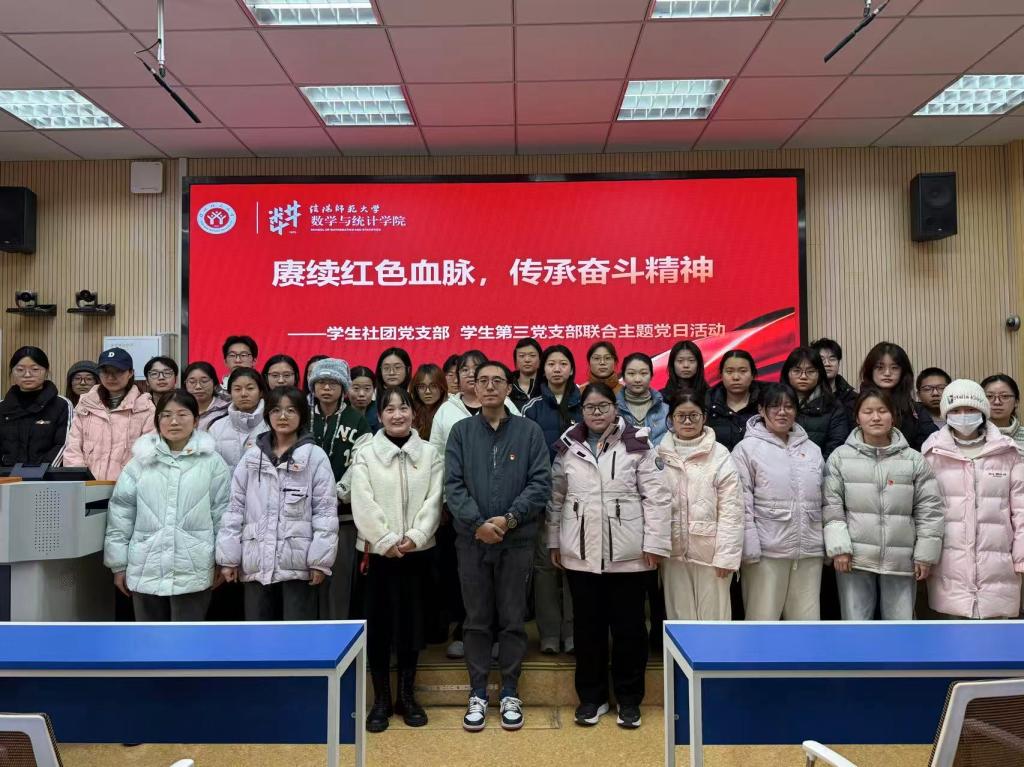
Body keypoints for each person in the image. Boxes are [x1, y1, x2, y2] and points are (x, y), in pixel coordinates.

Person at [548, 382, 671, 728]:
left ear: (615, 408)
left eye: (603, 406)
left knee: (630, 631)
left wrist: (655, 543)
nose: (597, 412)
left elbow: (658, 497)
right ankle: (592, 698)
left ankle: (629, 701)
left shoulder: (637, 442)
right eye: (590, 407)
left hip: (629, 557)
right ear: (581, 411)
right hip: (581, 555)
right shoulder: (568, 444)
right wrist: (554, 541)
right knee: (588, 630)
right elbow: (556, 498)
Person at [445, 360, 550, 733]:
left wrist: (509, 520)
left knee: (511, 620)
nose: (489, 387)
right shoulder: (460, 432)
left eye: (497, 381)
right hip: (471, 542)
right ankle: (477, 693)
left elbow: (540, 482)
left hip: (515, 541)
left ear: (508, 388)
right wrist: (478, 524)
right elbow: (453, 485)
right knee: (475, 620)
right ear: (473, 388)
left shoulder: (529, 431)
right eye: (482, 381)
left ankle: (509, 692)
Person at [350, 386, 443, 733]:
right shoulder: (366, 452)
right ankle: (381, 700)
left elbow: (435, 498)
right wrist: (385, 539)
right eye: (389, 410)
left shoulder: (430, 453)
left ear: (413, 413)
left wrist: (416, 535)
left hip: (417, 553)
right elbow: (362, 500)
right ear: (380, 416)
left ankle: (407, 696)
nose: (397, 415)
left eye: (403, 408)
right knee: (378, 628)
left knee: (411, 627)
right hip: (377, 555)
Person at [104, 390, 231, 621]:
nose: (174, 421)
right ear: (157, 421)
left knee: (188, 640)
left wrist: (223, 561)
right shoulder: (139, 462)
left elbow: (223, 514)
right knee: (149, 640)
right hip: (145, 567)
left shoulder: (212, 462)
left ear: (196, 420)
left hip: (194, 569)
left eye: (182, 414)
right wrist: (118, 564)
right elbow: (121, 514)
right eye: (166, 415)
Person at [217, 386, 338, 621]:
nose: (283, 416)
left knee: (295, 634)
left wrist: (319, 561)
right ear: (268, 415)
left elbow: (325, 512)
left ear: (302, 415)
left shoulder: (314, 457)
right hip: (256, 561)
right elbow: (234, 508)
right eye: (276, 410)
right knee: (258, 634)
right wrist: (229, 558)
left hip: (298, 564)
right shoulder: (252, 457)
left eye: (291, 410)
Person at [823, 388, 945, 620]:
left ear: (893, 416)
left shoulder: (913, 459)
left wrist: (925, 555)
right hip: (854, 558)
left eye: (882, 411)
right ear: (857, 417)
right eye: (868, 411)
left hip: (902, 558)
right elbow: (831, 508)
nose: (876, 417)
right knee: (855, 624)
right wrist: (839, 548)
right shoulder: (840, 457)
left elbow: (929, 510)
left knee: (901, 627)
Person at [922, 379, 1024, 619]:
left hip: (999, 565)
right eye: (956, 410)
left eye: (970, 409)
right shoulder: (931, 452)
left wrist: (1021, 557)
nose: (963, 415)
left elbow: (1021, 509)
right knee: (952, 634)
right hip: (949, 565)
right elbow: (924, 510)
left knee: (998, 637)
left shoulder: (1008, 451)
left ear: (982, 411)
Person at [733, 383, 825, 621]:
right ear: (761, 410)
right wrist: (749, 547)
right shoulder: (746, 449)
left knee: (806, 626)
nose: (782, 412)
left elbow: (826, 499)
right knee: (762, 621)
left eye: (789, 406)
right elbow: (741, 502)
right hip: (766, 552)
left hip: (809, 552)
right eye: (775, 406)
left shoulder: (812, 450)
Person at [656, 390, 743, 621]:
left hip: (711, 554)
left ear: (704, 417)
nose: (687, 422)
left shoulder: (720, 455)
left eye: (693, 416)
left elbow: (732, 510)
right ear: (671, 419)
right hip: (672, 554)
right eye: (681, 416)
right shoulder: (659, 454)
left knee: (714, 622)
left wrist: (726, 556)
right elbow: (652, 505)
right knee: (679, 621)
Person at [522, 345, 580, 655]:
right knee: (545, 567)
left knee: (575, 565)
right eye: (552, 364)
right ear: (543, 369)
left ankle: (572, 633)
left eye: (563, 364)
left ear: (571, 369)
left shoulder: (584, 402)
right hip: (544, 498)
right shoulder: (531, 408)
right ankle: (549, 634)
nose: (557, 369)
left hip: (581, 499)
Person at [309, 358, 371, 621]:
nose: (326, 388)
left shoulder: (357, 420)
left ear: (343, 387)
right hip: (302, 516)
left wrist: (336, 493)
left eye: (333, 383)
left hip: (343, 517)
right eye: (321, 382)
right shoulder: (301, 417)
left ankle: (337, 640)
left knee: (339, 585)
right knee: (306, 584)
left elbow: (361, 463)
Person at [63, 348, 156, 481]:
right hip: (88, 487)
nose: (111, 377)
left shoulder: (145, 407)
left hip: (128, 487)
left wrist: (128, 485)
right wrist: (81, 481)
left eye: (118, 371)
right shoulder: (86, 404)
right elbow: (73, 448)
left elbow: (149, 454)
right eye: (105, 372)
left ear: (131, 373)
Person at [0, 347, 72, 467]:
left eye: (35, 369)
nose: (27, 375)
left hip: (46, 475)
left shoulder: (62, 405)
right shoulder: (3, 407)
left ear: (46, 371)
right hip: (6, 475)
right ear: (12, 372)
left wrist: (43, 471)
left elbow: (64, 444)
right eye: (20, 370)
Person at [859, 342, 937, 451]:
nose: (887, 373)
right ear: (870, 371)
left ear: (903, 372)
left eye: (894, 368)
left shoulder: (915, 410)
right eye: (880, 367)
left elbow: (933, 443)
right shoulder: (855, 405)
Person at [780, 346, 850, 459]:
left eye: (810, 371)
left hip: (819, 467)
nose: (803, 376)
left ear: (820, 374)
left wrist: (814, 466)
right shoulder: (774, 404)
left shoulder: (833, 406)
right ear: (787, 373)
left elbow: (836, 447)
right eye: (797, 371)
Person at [207, 367, 268, 469]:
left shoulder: (272, 425)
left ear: (260, 392)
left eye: (250, 388)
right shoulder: (216, 428)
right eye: (237, 389)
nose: (243, 394)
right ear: (230, 393)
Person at [706, 350, 761, 452]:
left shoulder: (766, 402)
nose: (736, 377)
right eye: (729, 371)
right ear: (721, 375)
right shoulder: (707, 402)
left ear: (753, 375)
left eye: (743, 371)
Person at [616, 353, 669, 445]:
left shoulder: (666, 411)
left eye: (643, 373)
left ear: (651, 376)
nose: (637, 379)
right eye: (631, 373)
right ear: (623, 377)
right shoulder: (613, 410)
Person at [811, 338, 857, 415]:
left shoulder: (851, 397)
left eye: (832, 359)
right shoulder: (807, 396)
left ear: (838, 363)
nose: (827, 364)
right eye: (821, 359)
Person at [982, 374, 1024, 454]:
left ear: (1016, 402)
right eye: (989, 396)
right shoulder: (973, 436)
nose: (997, 402)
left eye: (1005, 396)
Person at [659, 340, 708, 405]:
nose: (686, 365)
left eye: (691, 360)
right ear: (672, 364)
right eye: (680, 361)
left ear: (698, 364)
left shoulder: (710, 395)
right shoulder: (660, 397)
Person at [184, 362, 230, 430]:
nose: (198, 387)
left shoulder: (227, 410)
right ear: (185, 384)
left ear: (214, 384)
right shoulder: (179, 408)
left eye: (204, 381)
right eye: (192, 382)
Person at [411, 363, 446, 441]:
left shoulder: (449, 410)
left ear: (442, 388)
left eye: (433, 386)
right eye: (422, 386)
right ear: (416, 390)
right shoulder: (410, 412)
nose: (427, 391)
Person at [510, 338, 543, 409]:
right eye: (522, 356)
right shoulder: (507, 385)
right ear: (515, 360)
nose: (527, 360)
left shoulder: (548, 385)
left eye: (532, 355)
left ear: (540, 360)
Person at [348, 366, 380, 433]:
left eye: (367, 389)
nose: (361, 394)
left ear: (374, 390)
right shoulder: (337, 413)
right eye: (356, 388)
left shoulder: (381, 413)